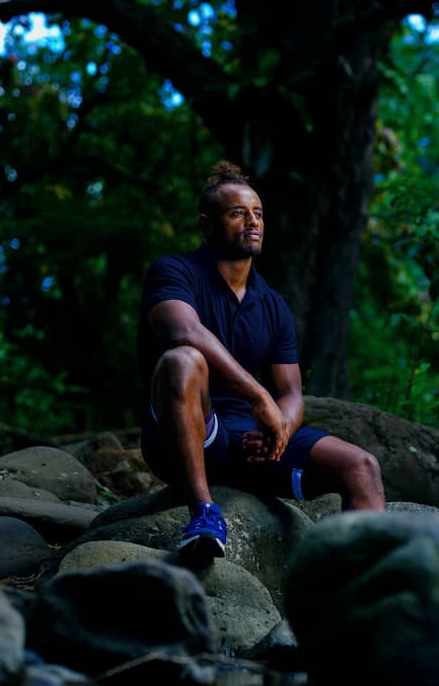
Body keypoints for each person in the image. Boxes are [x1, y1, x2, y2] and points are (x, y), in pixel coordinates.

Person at [137, 161, 386, 561]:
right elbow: (184, 332)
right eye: (238, 213)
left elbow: (291, 392)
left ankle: (368, 589)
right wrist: (259, 398)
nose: (252, 221)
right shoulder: (174, 271)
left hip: (249, 446)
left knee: (361, 466)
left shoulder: (270, 303)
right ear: (207, 224)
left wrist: (280, 431)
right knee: (183, 360)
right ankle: (203, 513)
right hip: (193, 431)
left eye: (257, 213)